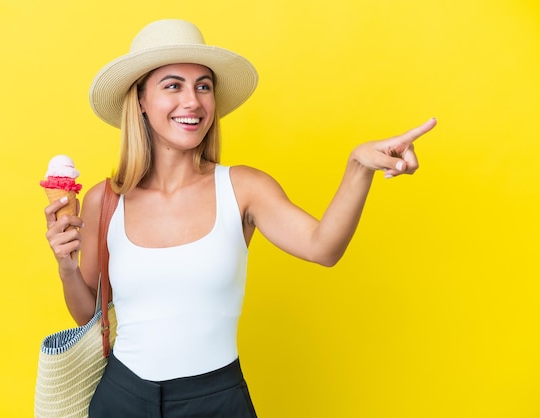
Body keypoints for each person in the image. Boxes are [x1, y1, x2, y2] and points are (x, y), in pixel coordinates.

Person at [44, 19, 437, 417]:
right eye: (173, 85)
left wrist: (358, 166)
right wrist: (65, 266)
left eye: (203, 86)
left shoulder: (243, 188)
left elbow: (324, 248)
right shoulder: (105, 200)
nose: (193, 102)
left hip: (216, 401)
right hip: (121, 399)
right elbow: (86, 314)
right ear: (141, 100)